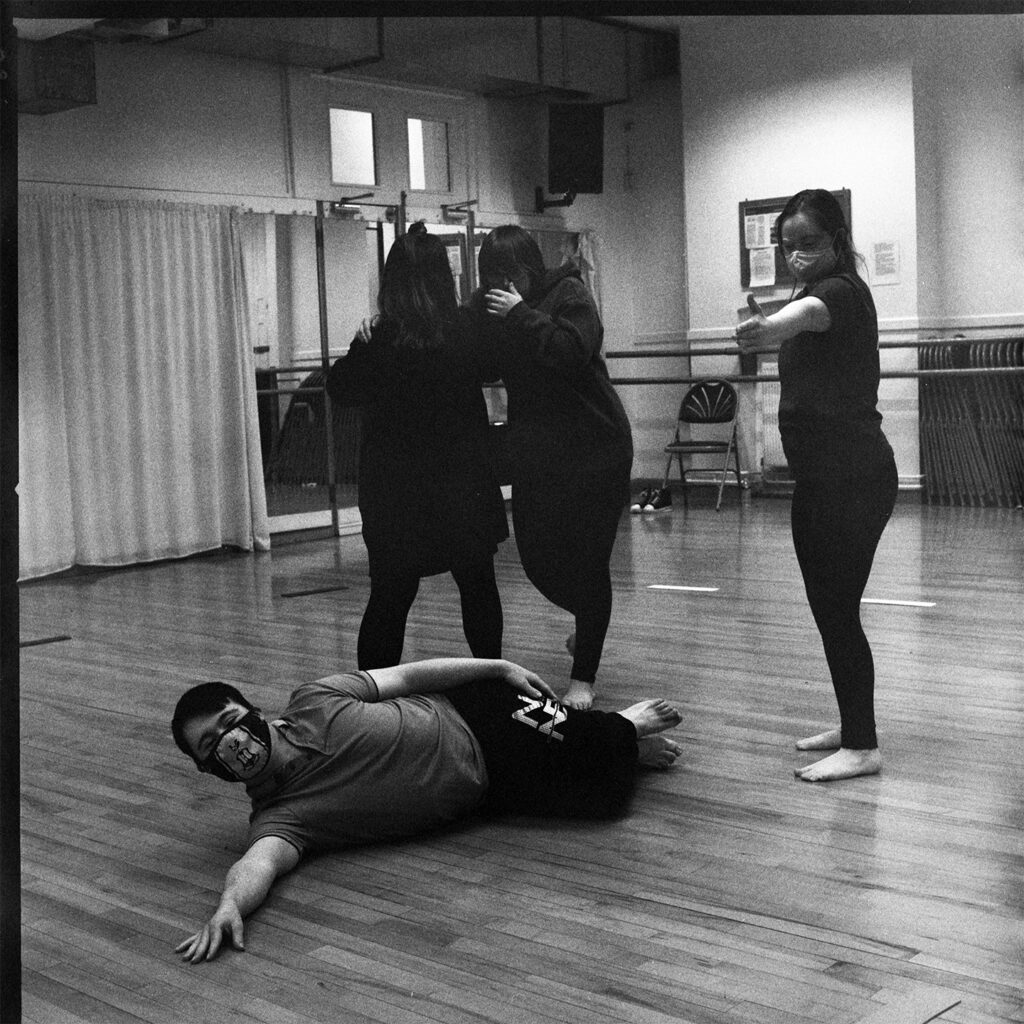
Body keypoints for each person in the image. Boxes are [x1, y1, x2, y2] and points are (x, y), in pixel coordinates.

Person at [171, 656, 683, 962]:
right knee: (605, 803)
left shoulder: (315, 700)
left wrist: (498, 667)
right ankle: (617, 746)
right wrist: (229, 906)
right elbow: (257, 864)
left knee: (592, 741)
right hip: (488, 791)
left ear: (254, 712)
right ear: (207, 769)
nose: (230, 741)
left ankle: (622, 726)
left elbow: (412, 675)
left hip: (479, 714)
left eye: (231, 721)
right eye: (210, 744)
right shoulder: (281, 817)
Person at [735, 188, 898, 783]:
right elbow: (797, 313)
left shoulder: (840, 292)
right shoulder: (811, 288)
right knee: (831, 610)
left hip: (855, 479)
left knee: (837, 609)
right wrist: (771, 322)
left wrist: (765, 326)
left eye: (810, 243)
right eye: (789, 244)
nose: (798, 254)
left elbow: (800, 318)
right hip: (822, 480)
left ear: (836, 242)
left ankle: (862, 745)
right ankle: (854, 722)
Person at [327, 223, 508, 670]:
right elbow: (494, 363)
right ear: (442, 278)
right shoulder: (465, 330)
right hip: (461, 483)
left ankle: (371, 701)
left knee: (390, 596)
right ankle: (493, 682)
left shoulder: (379, 339)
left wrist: (360, 340)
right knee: (478, 585)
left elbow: (340, 389)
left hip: (394, 490)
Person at [470, 226, 634, 712]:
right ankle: (590, 622)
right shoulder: (498, 308)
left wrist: (520, 314)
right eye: (490, 276)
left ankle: (584, 673)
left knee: (588, 564)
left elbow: (570, 351)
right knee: (538, 559)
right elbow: (480, 365)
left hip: (595, 449)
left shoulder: (569, 293)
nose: (500, 283)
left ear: (528, 267)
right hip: (540, 453)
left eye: (508, 273)